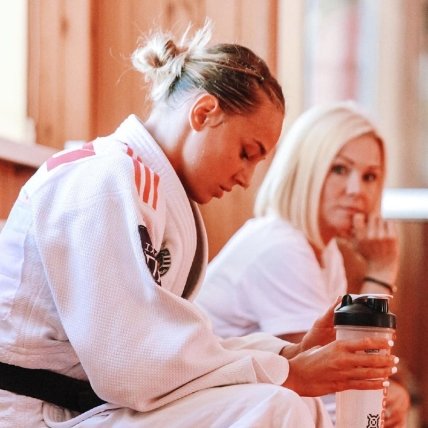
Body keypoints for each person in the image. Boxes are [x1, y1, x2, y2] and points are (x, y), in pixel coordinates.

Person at [0, 22, 397, 428]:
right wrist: (288, 372)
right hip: (31, 415)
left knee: (295, 403)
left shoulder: (148, 191)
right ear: (204, 113)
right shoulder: (101, 180)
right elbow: (130, 364)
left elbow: (163, 347)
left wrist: (286, 356)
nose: (246, 178)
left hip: (86, 408)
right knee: (279, 405)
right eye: (246, 153)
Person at [196, 101, 410, 427]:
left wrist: (391, 393)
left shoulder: (324, 252)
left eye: (369, 177)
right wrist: (381, 270)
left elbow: (350, 379)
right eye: (339, 169)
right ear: (306, 170)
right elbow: (330, 391)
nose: (357, 191)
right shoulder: (282, 248)